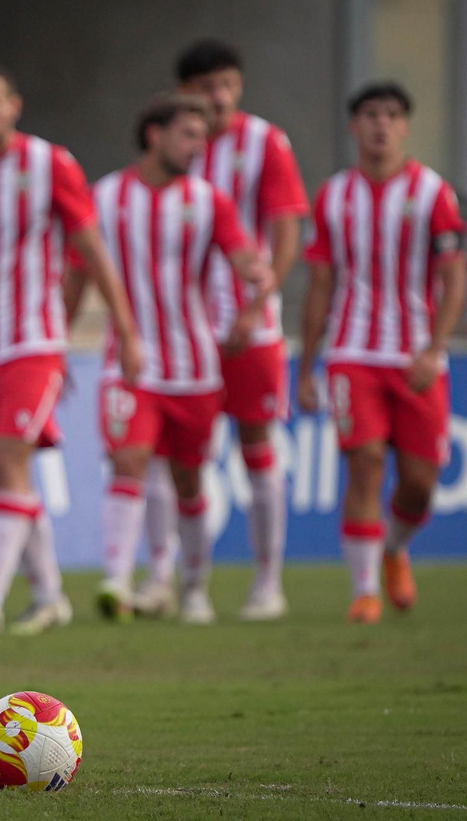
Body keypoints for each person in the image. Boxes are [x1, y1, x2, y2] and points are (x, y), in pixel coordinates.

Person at [0, 61, 144, 637]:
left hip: (34, 339)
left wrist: (128, 330)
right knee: (6, 473)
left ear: (14, 107)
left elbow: (91, 252)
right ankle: (49, 597)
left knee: (10, 458)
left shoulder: (51, 165)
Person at [70, 96, 273, 626]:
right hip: (129, 361)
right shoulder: (107, 196)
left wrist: (256, 281)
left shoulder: (210, 201)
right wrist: (61, 341)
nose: (197, 147)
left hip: (194, 366)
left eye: (201, 138)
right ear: (155, 135)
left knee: (188, 481)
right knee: (129, 460)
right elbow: (78, 269)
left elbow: (244, 258)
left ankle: (193, 587)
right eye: (187, 135)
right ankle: (116, 579)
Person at [297, 81, 467, 624]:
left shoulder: (433, 193)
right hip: (351, 351)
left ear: (405, 127)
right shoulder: (334, 196)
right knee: (364, 463)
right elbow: (320, 283)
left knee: (419, 484)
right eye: (370, 114)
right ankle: (364, 590)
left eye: (391, 115)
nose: (380, 125)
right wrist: (307, 366)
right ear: (354, 126)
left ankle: (394, 549)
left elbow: (455, 278)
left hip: (417, 357)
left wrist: (434, 349)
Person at [176, 39, 309, 621]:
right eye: (206, 87)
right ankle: (186, 586)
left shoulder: (265, 144)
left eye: (227, 83)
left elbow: (285, 232)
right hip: (185, 332)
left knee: (257, 445)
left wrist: (258, 304)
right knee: (182, 460)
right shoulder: (176, 149)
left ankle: (267, 582)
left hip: (251, 328)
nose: (219, 96)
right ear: (187, 94)